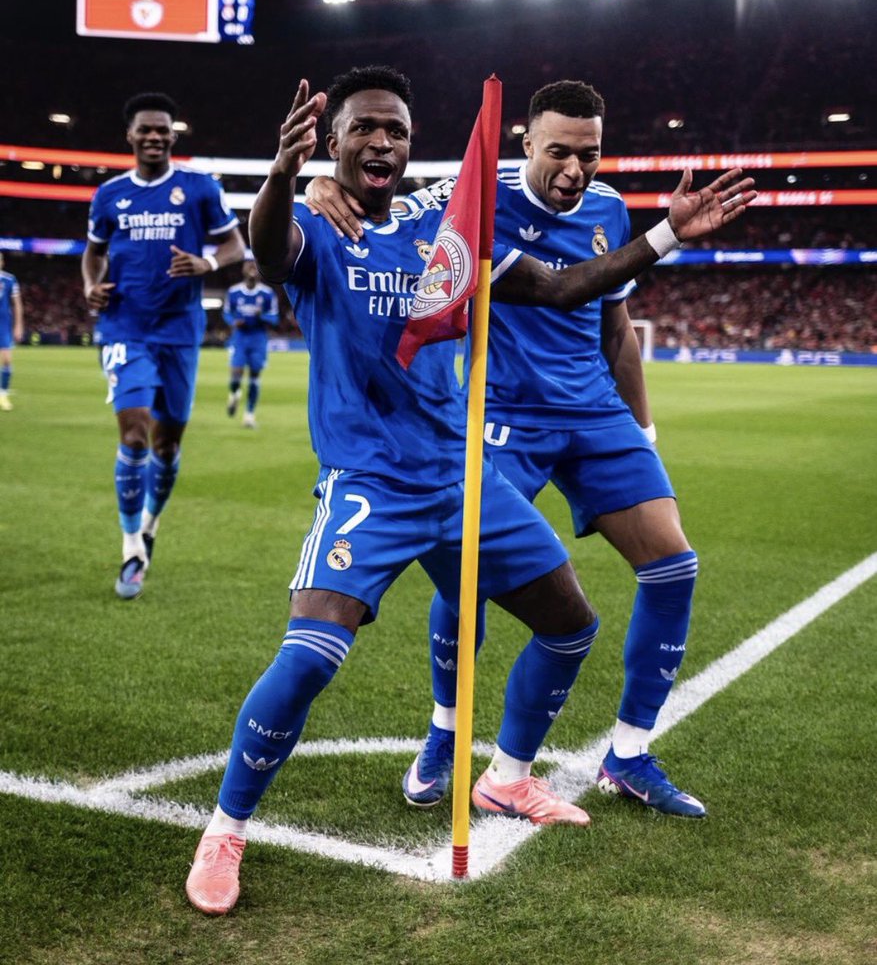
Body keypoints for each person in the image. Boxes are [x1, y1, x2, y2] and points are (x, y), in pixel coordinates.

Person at [184, 66, 753, 915]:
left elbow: (562, 288)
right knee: (308, 659)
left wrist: (664, 235)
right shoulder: (314, 224)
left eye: (397, 131)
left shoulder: (445, 230)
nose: (382, 142)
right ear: (333, 141)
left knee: (569, 625)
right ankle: (226, 830)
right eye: (365, 129)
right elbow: (267, 252)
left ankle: (506, 779)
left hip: (460, 476)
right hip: (369, 480)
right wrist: (278, 173)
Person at [307, 79, 712, 817]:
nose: (573, 170)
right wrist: (312, 187)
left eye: (588, 155)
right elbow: (377, 200)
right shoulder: (466, 193)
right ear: (525, 143)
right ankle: (444, 731)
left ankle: (626, 754)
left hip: (592, 413)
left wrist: (643, 433)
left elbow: (613, 328)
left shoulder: (610, 208)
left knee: (672, 564)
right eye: (557, 152)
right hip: (499, 415)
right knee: (467, 584)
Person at [82, 92, 245, 599]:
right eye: (145, 130)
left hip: (180, 330)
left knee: (167, 445)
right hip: (124, 327)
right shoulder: (109, 195)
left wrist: (208, 265)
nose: (154, 136)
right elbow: (93, 255)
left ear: (174, 135)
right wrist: (91, 287)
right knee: (134, 434)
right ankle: (132, 547)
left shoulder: (198, 189)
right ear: (130, 136)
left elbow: (235, 245)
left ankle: (149, 524)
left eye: (163, 130)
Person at [223, 259, 280, 429]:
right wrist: (234, 322)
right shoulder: (233, 292)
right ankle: (234, 393)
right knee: (236, 374)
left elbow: (274, 318)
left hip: (258, 338)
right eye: (248, 265)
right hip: (239, 338)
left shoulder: (268, 294)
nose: (251, 267)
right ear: (243, 270)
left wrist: (260, 315)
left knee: (255, 377)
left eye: (255, 265)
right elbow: (226, 314)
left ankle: (249, 415)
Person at [0, 254, 24, 411]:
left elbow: (17, 304)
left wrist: (18, 325)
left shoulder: (9, 279)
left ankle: (3, 394)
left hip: (3, 325)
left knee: (7, 360)